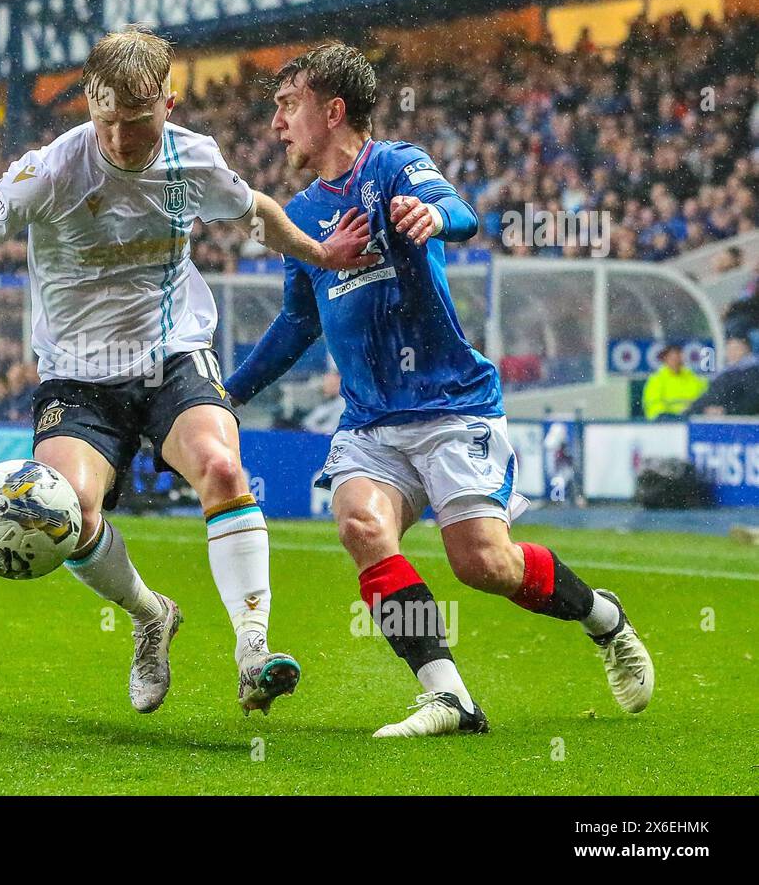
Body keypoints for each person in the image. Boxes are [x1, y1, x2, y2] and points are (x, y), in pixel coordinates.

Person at [0, 25, 372, 715]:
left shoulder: (194, 160)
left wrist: (319, 252)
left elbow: (256, 214)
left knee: (221, 467)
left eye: (139, 121)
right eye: (108, 121)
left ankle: (252, 650)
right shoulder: (50, 171)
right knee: (65, 513)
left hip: (173, 356)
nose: (122, 139)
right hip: (77, 378)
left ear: (170, 104)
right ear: (90, 104)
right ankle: (151, 614)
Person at [226, 43, 654, 736]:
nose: (277, 123)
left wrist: (434, 219)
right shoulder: (298, 213)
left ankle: (602, 617)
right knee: (361, 524)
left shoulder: (394, 165)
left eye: (288, 104)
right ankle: (449, 695)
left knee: (484, 564)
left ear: (332, 111)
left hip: (451, 404)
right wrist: (229, 391)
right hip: (370, 420)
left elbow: (458, 210)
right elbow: (298, 321)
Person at [692, 335, 759, 416]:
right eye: (729, 349)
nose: (732, 353)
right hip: (720, 421)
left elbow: (752, 402)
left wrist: (725, 411)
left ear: (747, 350)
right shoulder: (723, 374)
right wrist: (702, 409)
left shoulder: (753, 372)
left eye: (736, 349)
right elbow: (709, 397)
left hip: (743, 423)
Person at [642, 343, 708, 420]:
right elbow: (653, 406)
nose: (676, 361)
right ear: (665, 359)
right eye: (673, 358)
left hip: (692, 418)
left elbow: (704, 399)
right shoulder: (656, 379)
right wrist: (670, 417)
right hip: (667, 422)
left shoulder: (694, 378)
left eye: (678, 357)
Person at [300, 370, 346, 435]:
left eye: (331, 384)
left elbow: (332, 429)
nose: (326, 387)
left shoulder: (344, 404)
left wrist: (314, 428)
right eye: (326, 383)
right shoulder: (327, 402)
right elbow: (307, 422)